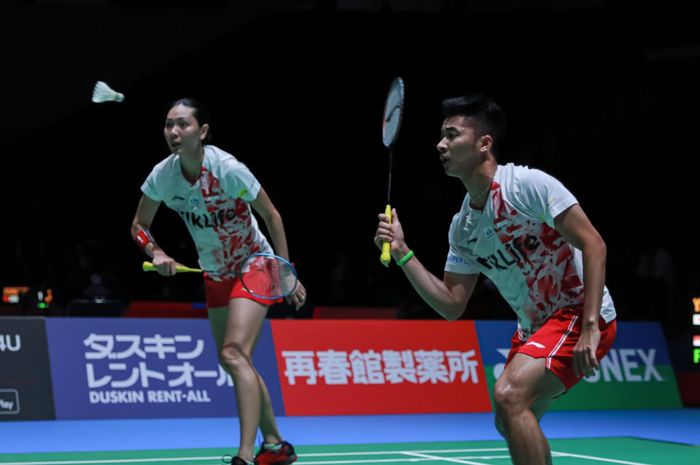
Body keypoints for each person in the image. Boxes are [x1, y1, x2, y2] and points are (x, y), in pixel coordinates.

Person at [374, 94, 617, 465]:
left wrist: (589, 328)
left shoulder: (527, 185)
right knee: (510, 419)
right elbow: (451, 303)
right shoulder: (464, 228)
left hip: (579, 312)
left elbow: (593, 243)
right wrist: (405, 253)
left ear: (484, 143)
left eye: (452, 135)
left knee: (509, 395)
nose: (440, 144)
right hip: (535, 327)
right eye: (441, 136)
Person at [131, 98, 303, 465]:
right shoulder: (163, 176)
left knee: (232, 353)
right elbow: (139, 226)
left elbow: (271, 215)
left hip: (253, 264)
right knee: (234, 361)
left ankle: (244, 454)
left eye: (183, 125)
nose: (173, 132)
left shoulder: (227, 169)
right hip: (214, 271)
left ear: (203, 131)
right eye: (168, 125)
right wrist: (157, 254)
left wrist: (283, 268)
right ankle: (275, 445)